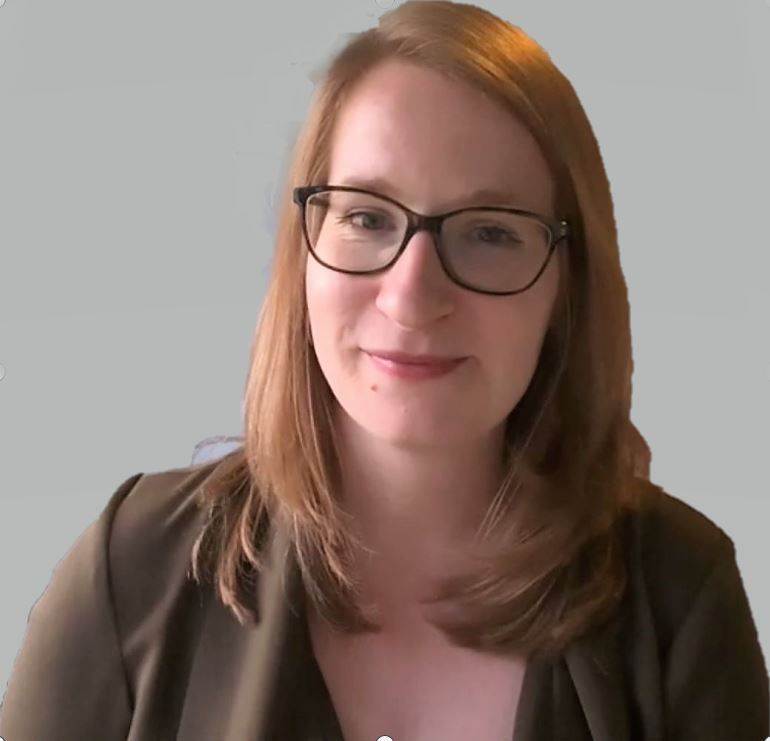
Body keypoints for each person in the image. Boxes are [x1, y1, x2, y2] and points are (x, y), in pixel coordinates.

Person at [1, 2, 767, 739]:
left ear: (569, 286)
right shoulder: (130, 570)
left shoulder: (679, 597)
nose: (412, 296)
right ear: (304, 249)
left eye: (491, 232)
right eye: (367, 216)